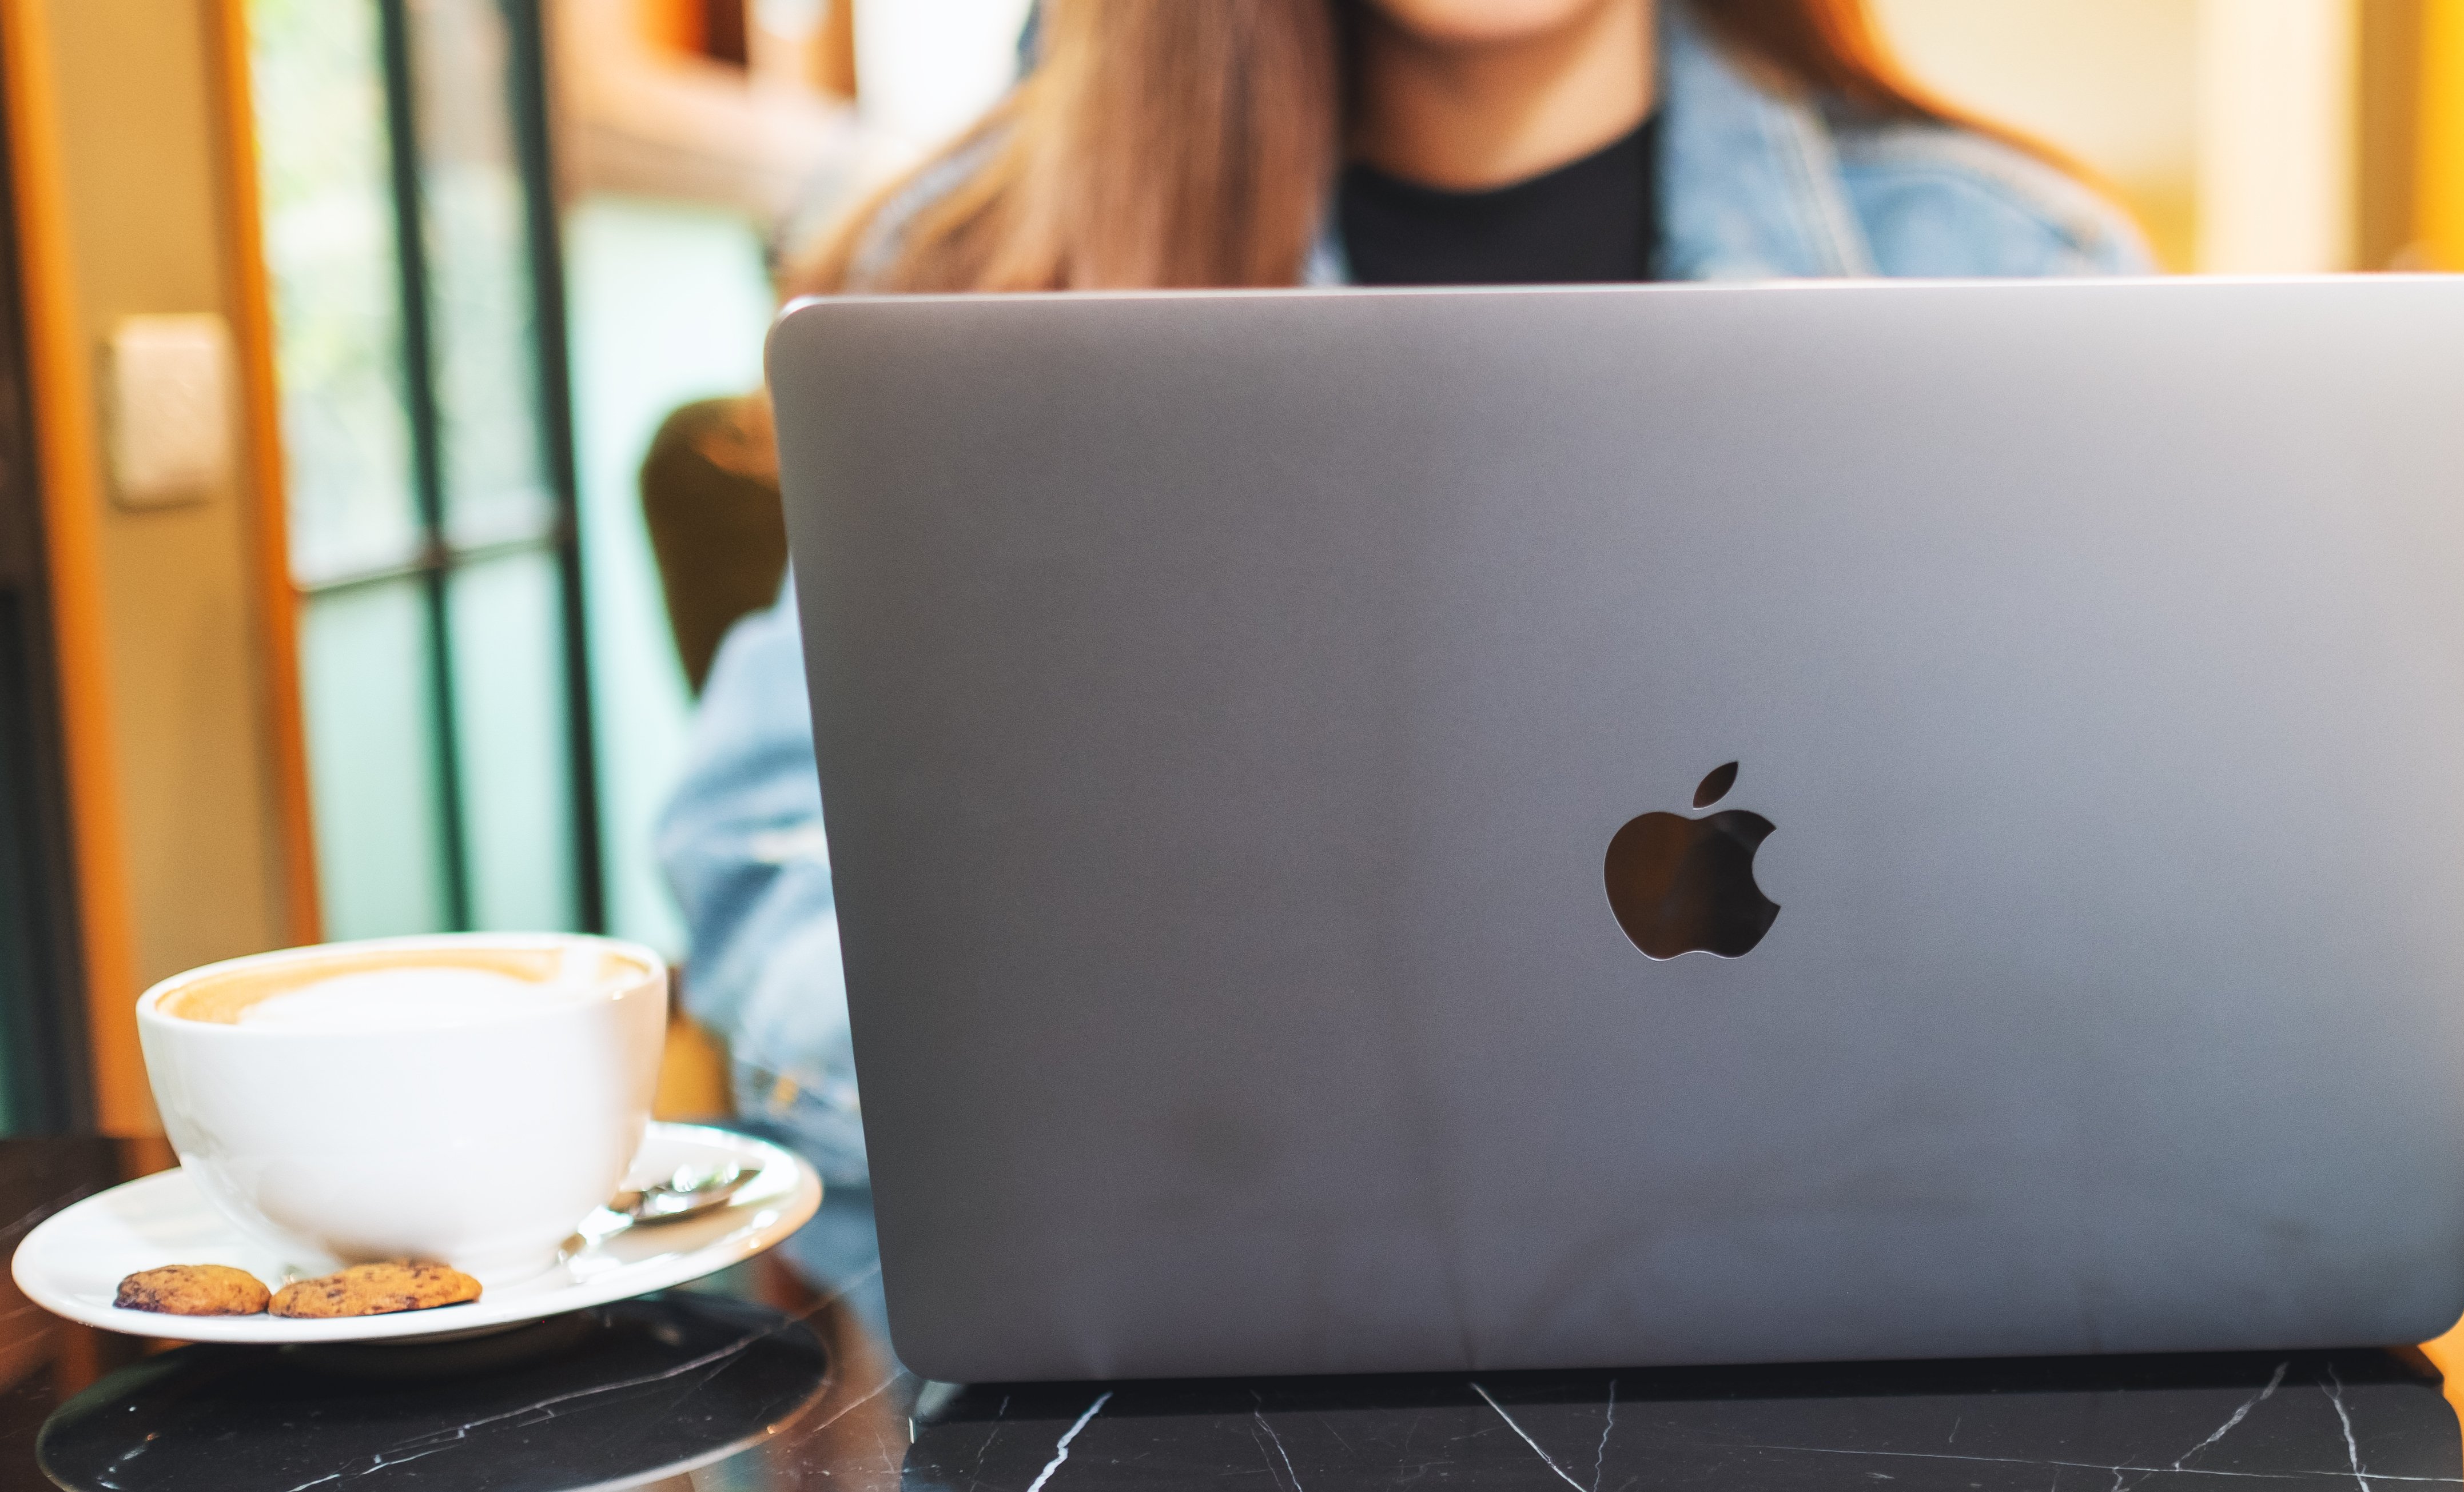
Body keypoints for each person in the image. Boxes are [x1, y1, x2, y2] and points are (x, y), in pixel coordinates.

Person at [659, 0, 2150, 1198]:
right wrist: (1108, 1110)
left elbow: (2153, 908)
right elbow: (774, 858)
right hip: (1224, 1329)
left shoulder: (2010, 262)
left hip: (1873, 1300)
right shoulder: (991, 265)